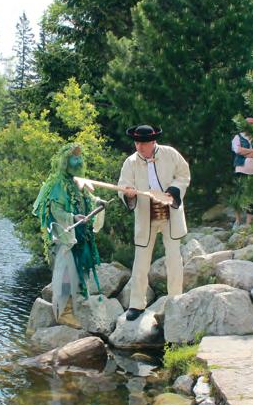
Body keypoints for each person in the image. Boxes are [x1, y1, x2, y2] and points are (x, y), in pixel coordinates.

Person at [118, 125, 191, 321]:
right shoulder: (130, 162)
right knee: (140, 261)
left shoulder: (170, 154)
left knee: (174, 258)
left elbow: (184, 175)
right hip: (145, 215)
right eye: (136, 143)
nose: (139, 147)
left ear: (152, 142)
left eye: (143, 143)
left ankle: (175, 299)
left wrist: (174, 190)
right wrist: (128, 192)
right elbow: (123, 185)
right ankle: (136, 304)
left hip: (170, 213)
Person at [33, 144, 105, 319]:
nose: (78, 161)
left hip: (82, 235)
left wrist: (98, 203)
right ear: (65, 161)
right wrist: (72, 217)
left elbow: (88, 199)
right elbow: (55, 210)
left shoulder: (79, 182)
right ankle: (63, 312)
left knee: (80, 270)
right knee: (66, 271)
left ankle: (76, 308)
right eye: (74, 158)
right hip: (66, 235)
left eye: (80, 158)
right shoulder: (57, 184)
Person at [231, 116, 253, 228]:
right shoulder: (237, 137)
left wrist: (246, 152)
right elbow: (238, 150)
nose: (249, 125)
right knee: (239, 194)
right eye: (247, 123)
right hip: (242, 170)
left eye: (252, 123)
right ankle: (237, 220)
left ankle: (249, 223)